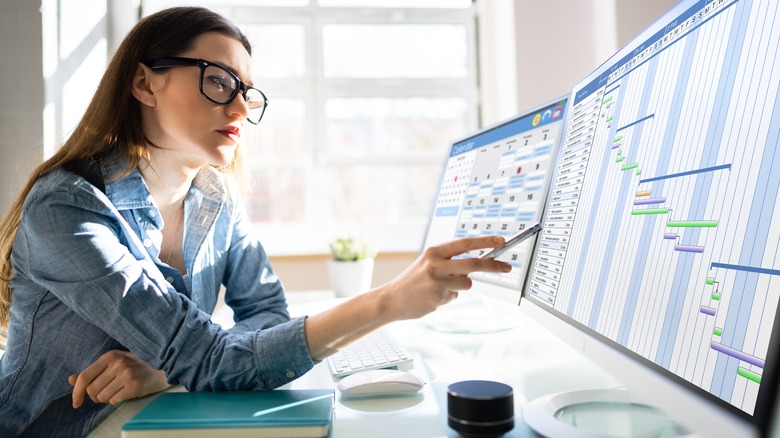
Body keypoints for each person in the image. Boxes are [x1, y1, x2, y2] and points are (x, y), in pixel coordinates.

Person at [0, 6, 511, 436]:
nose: (241, 107)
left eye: (247, 91)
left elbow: (266, 312)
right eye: (219, 82)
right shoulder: (67, 209)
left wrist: (167, 367)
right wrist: (389, 301)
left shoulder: (217, 199)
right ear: (144, 83)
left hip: (152, 417)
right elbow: (211, 359)